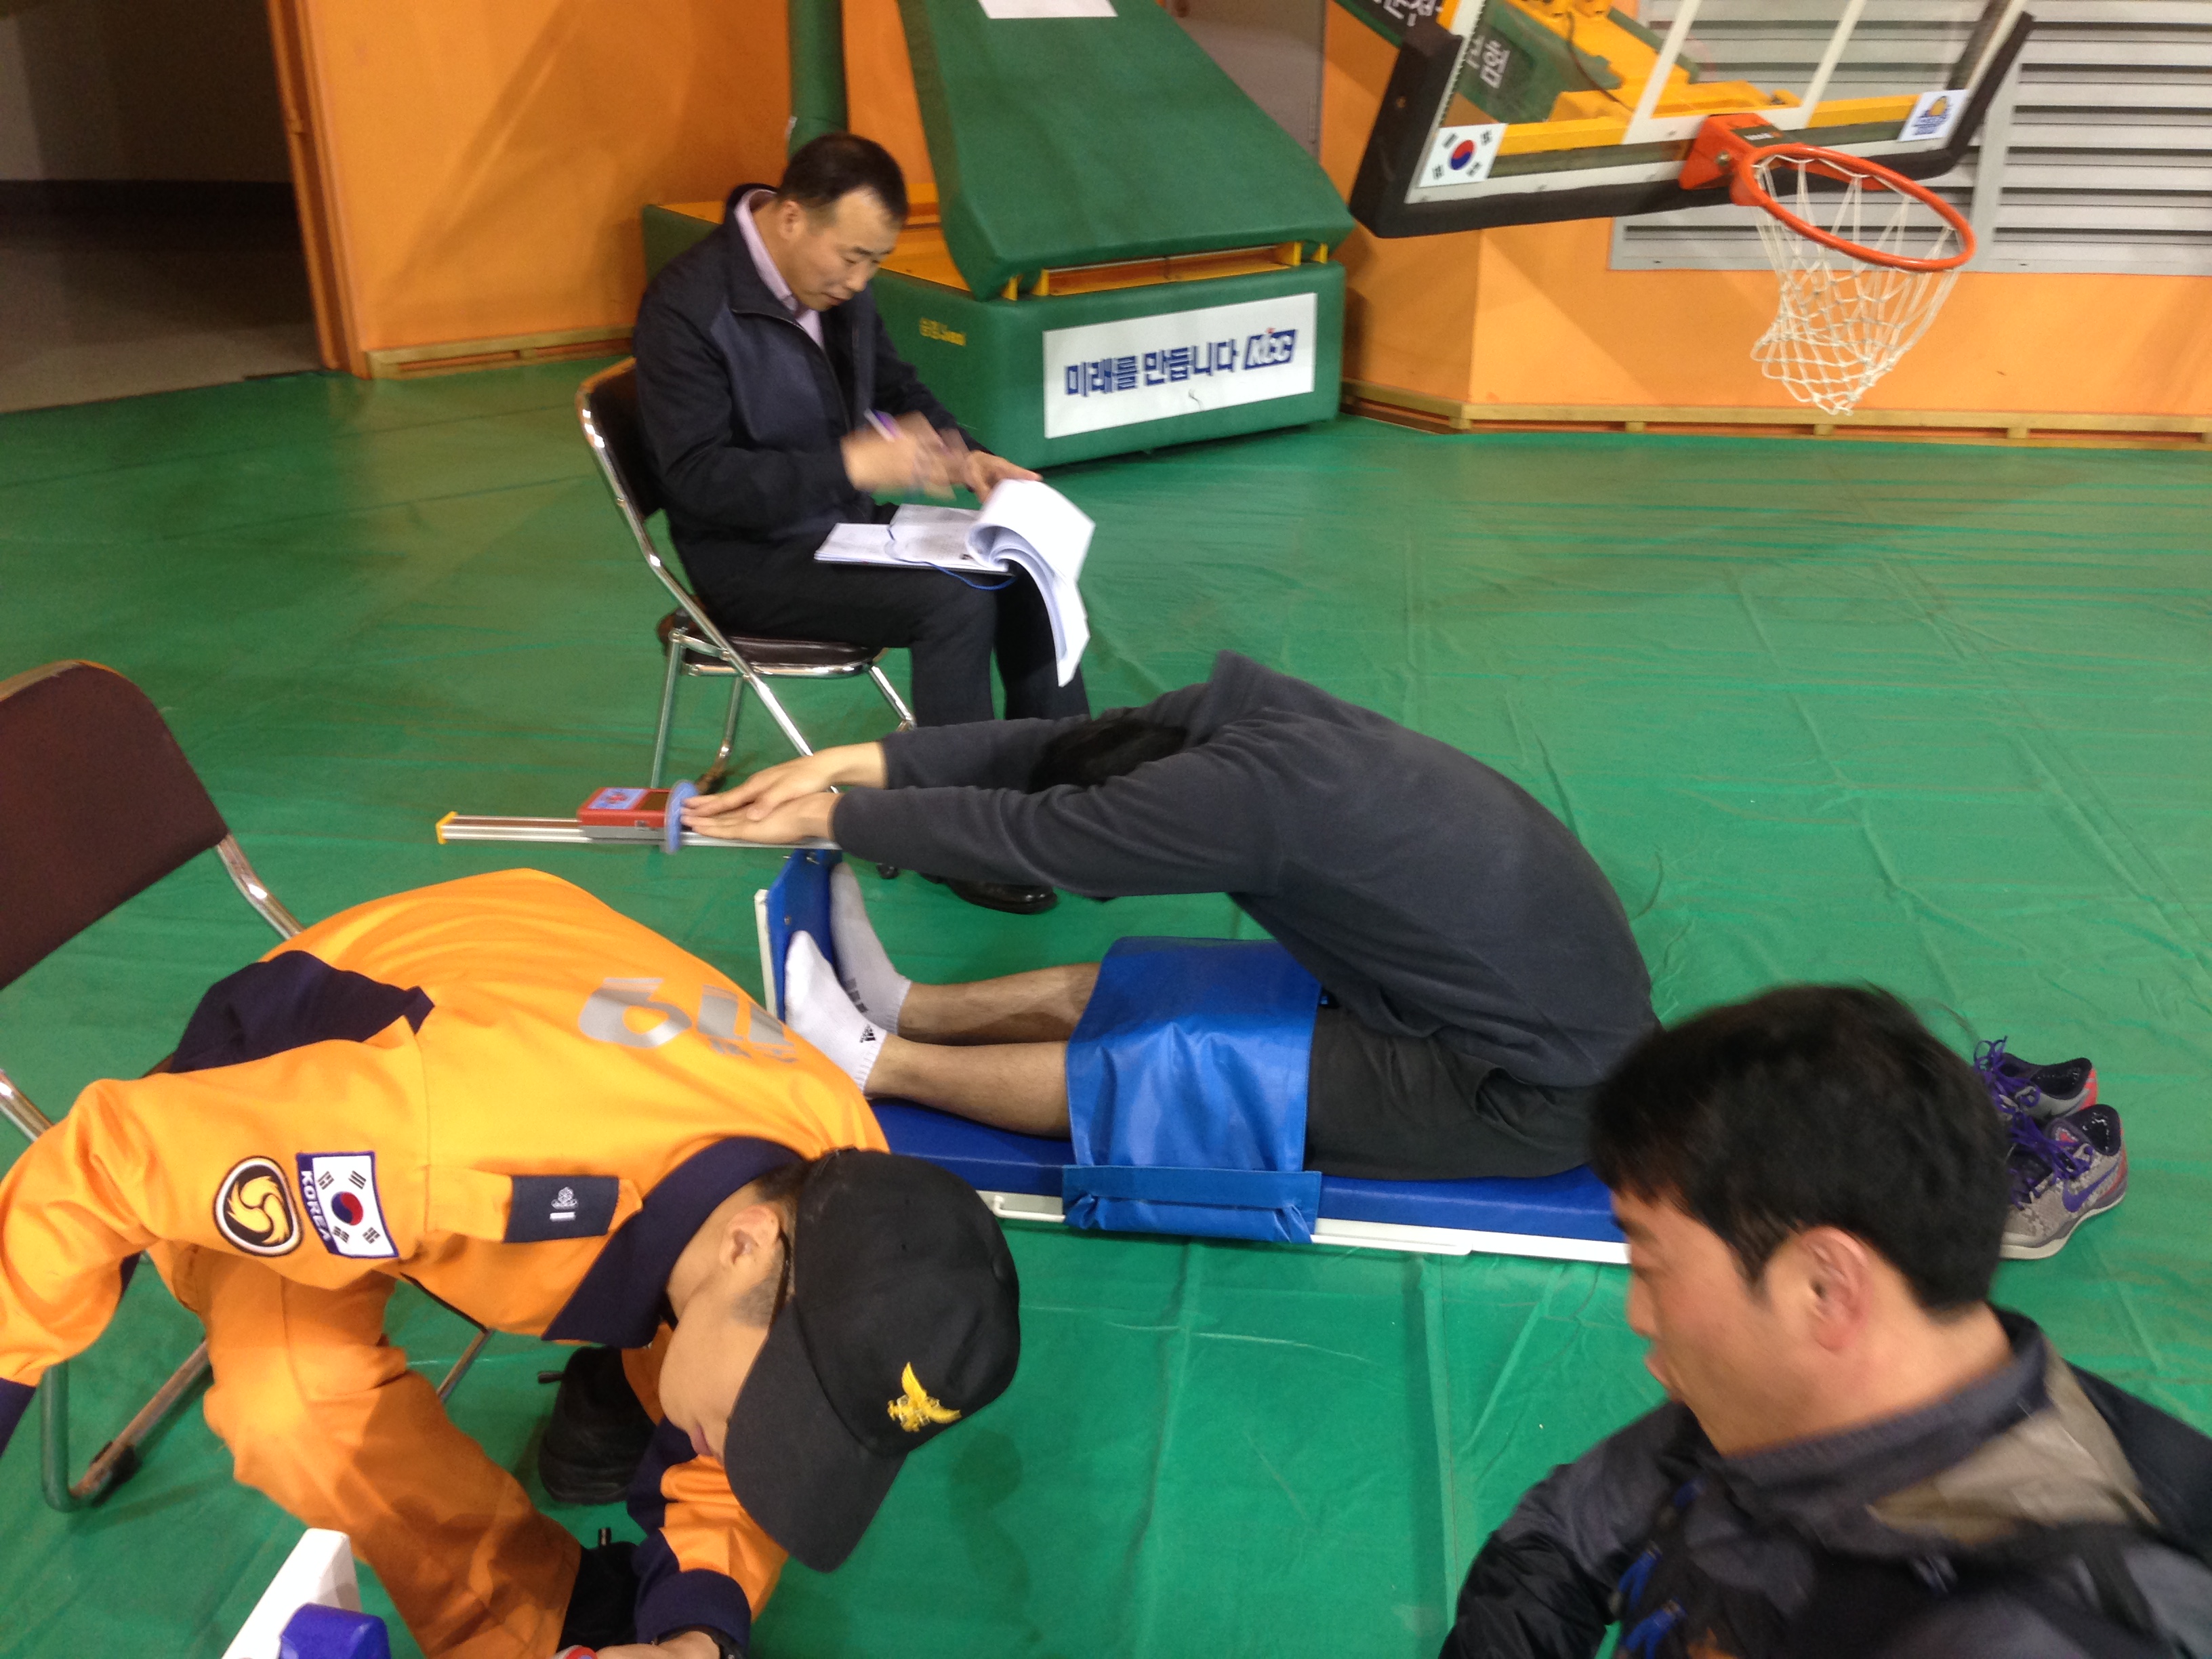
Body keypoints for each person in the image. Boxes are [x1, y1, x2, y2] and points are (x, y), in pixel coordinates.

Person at [0, 869, 1021, 1659]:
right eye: (783, 1410)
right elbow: (103, 1167)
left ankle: (630, 1380)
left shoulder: (842, 1171)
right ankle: (534, 1613)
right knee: (291, 1400)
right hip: (311, 1062)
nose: (775, 1450)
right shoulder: (430, 1148)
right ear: (749, 1243)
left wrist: (695, 1632)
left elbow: (753, 1399)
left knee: (714, 1370)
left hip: (526, 968)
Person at [1439, 985, 2212, 1659]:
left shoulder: (2034, 1625)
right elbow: (1562, 1537)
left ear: (1825, 1286)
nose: (1638, 1313)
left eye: (1651, 1264)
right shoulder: (1788, 1411)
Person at [682, 650, 1658, 1180]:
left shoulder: (1220, 805)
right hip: (1514, 998)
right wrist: (862, 762)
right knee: (1158, 981)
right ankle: (906, 1007)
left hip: (1531, 1092)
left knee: (1173, 1061)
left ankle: (876, 1062)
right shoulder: (1243, 714)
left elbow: (1027, 837)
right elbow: (1060, 742)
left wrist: (836, 818)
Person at [632, 130, 1088, 914]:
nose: (859, 280)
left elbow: (897, 387)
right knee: (952, 602)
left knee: (1018, 563)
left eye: (875, 262)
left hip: (841, 522)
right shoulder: (687, 308)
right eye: (851, 258)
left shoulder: (834, 286)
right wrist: (847, 465)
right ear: (790, 219)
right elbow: (700, 484)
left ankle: (1066, 791)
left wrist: (968, 457)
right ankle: (951, 839)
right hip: (749, 557)